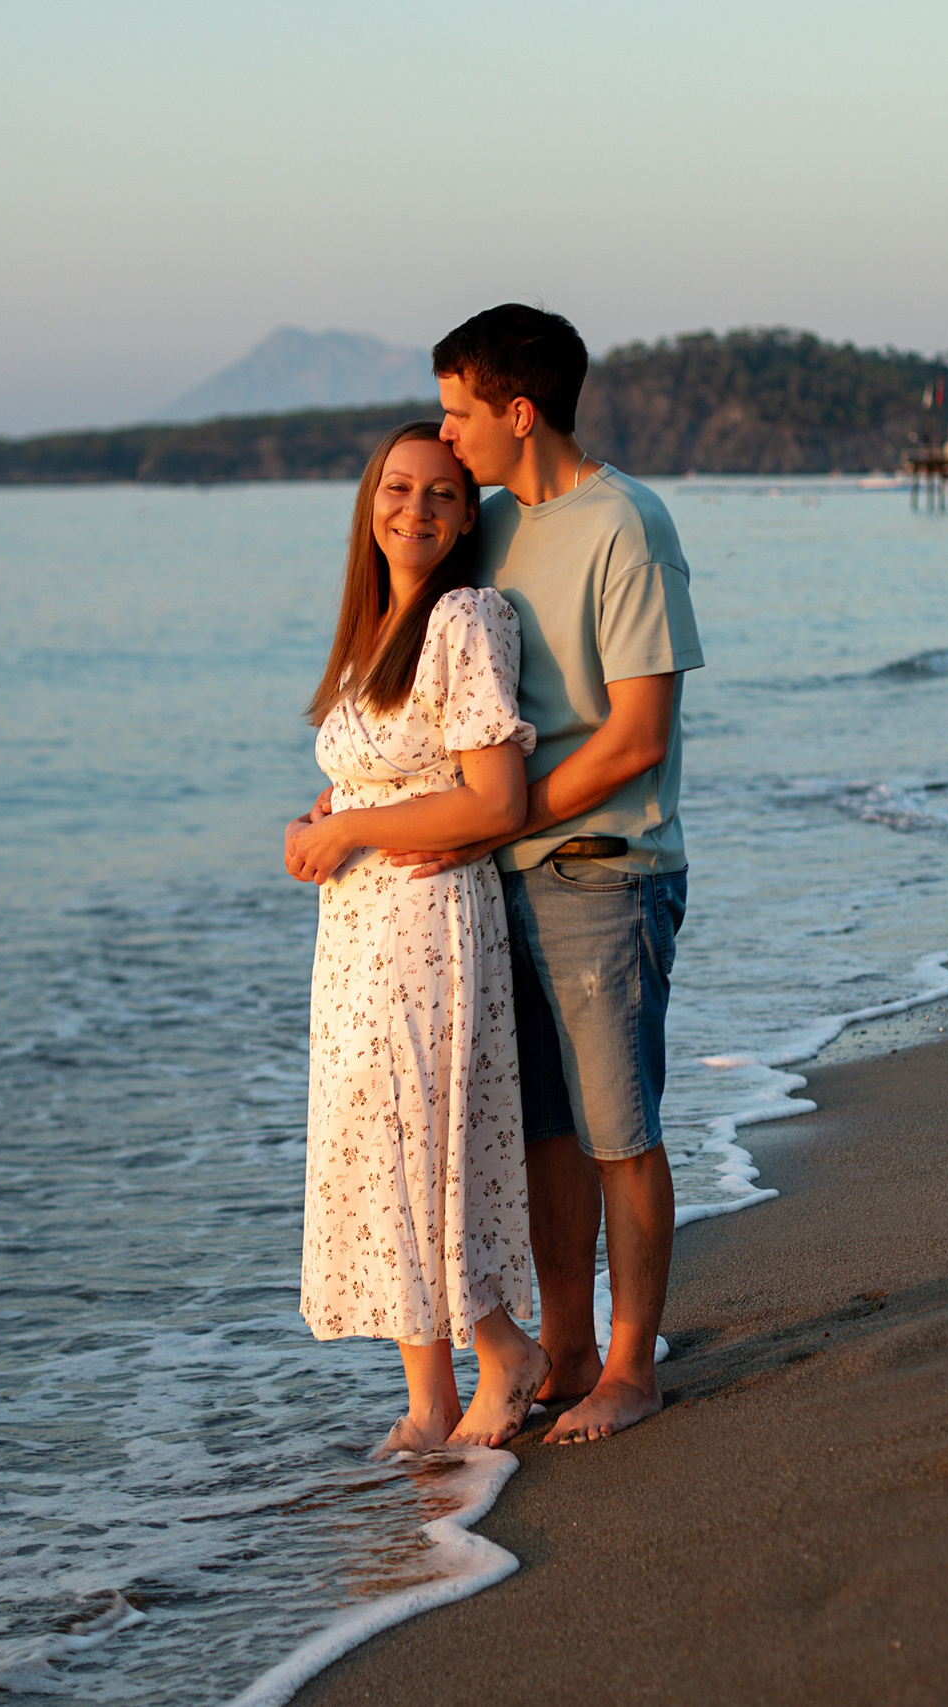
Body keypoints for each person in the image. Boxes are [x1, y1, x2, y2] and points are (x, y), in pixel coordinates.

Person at [380, 304, 704, 1445]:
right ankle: (566, 1359)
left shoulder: (628, 524)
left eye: (461, 411)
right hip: (498, 885)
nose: (446, 433)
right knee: (543, 1137)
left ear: (518, 413)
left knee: (619, 1128)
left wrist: (491, 826)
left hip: (603, 873)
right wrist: (364, 800)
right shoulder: (495, 529)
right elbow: (441, 699)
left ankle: (631, 1368)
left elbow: (636, 736)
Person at [284, 422, 551, 1456]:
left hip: (426, 923)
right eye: (398, 489)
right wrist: (323, 820)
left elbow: (491, 797)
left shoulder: (466, 619)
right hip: (355, 932)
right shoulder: (374, 630)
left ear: (466, 515)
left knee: (422, 1141)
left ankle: (505, 1349)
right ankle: (428, 1399)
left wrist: (349, 828)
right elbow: (375, 772)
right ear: (369, 502)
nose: (417, 510)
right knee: (370, 1144)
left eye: (443, 495)